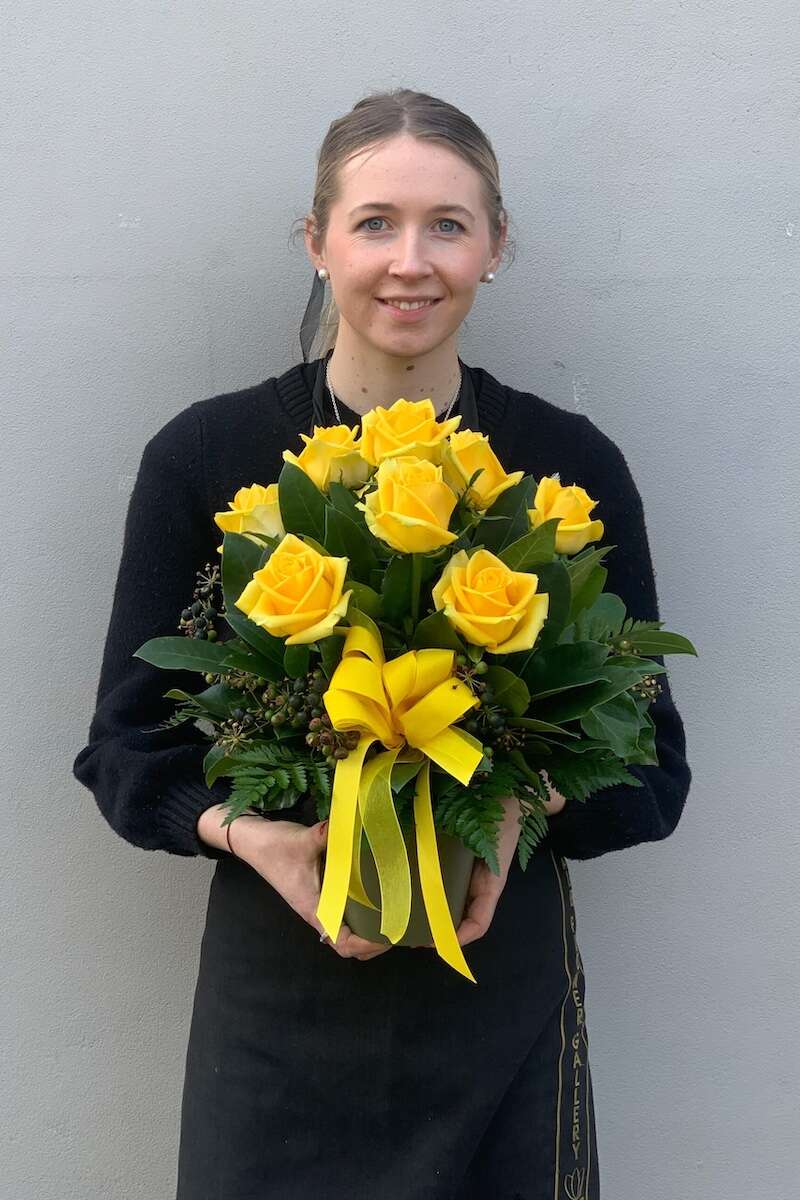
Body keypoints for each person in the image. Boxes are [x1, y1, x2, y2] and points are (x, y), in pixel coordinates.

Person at [72, 88, 691, 1200]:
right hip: (276, 1014)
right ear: (315, 241)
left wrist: (514, 809)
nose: (410, 262)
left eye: (448, 224)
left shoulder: (564, 468)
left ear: (495, 246)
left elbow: (647, 760)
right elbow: (124, 750)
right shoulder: (208, 458)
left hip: (497, 999)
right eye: (373, 222)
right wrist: (249, 832)